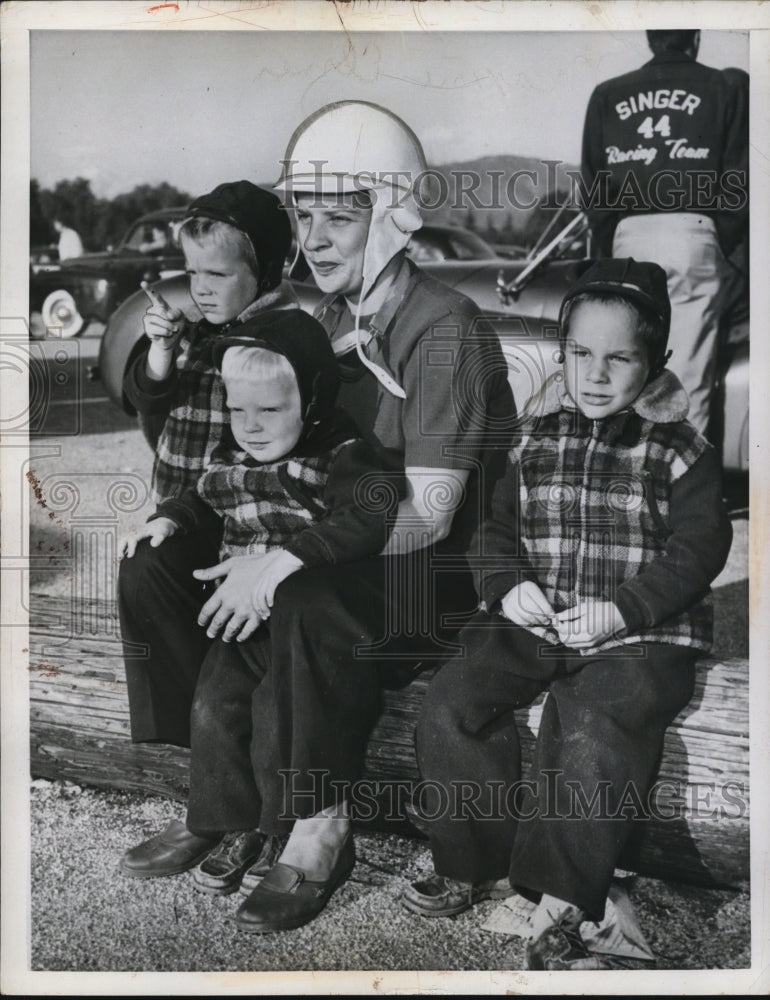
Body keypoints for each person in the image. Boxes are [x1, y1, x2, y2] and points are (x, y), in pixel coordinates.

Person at [120, 101, 515, 931]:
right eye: (306, 215)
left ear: (394, 215)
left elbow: (429, 517)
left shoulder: (443, 327)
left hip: (431, 578)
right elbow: (261, 453)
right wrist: (189, 520)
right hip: (336, 540)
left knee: (303, 595)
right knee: (154, 563)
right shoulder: (325, 319)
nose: (318, 238)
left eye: (342, 216)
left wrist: (282, 559)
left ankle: (319, 822)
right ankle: (221, 793)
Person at [401, 258, 733, 970]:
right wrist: (505, 585)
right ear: (562, 352)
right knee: (453, 697)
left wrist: (623, 609)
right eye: (580, 354)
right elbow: (492, 526)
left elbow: (699, 550)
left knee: (592, 725)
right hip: (539, 614)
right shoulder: (532, 433)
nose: (596, 375)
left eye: (620, 359)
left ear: (657, 362)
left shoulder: (683, 450)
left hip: (638, 630)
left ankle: (563, 898)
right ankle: (474, 858)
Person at [120, 309, 397, 893]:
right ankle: (223, 819)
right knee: (214, 706)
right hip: (243, 619)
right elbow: (204, 499)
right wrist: (169, 520)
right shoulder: (233, 455)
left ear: (311, 403)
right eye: (238, 410)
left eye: (269, 411)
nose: (250, 427)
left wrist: (295, 556)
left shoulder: (341, 452)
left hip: (307, 624)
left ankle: (281, 830)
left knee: (274, 712)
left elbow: (365, 517)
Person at [118, 179, 295, 748]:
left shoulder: (281, 339)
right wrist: (162, 351)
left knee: (173, 584)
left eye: (218, 274)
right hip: (187, 510)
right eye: (193, 273)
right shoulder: (197, 331)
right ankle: (179, 734)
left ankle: (212, 725)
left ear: (265, 273)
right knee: (143, 568)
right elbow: (143, 398)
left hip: (245, 518)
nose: (201, 288)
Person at [580, 29, 748, 435]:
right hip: (694, 238)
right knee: (687, 382)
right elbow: (739, 181)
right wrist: (721, 242)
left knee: (627, 371)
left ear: (650, 38)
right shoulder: (726, 86)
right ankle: (684, 472)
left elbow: (594, 189)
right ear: (696, 38)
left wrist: (614, 244)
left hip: (628, 241)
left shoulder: (607, 93)